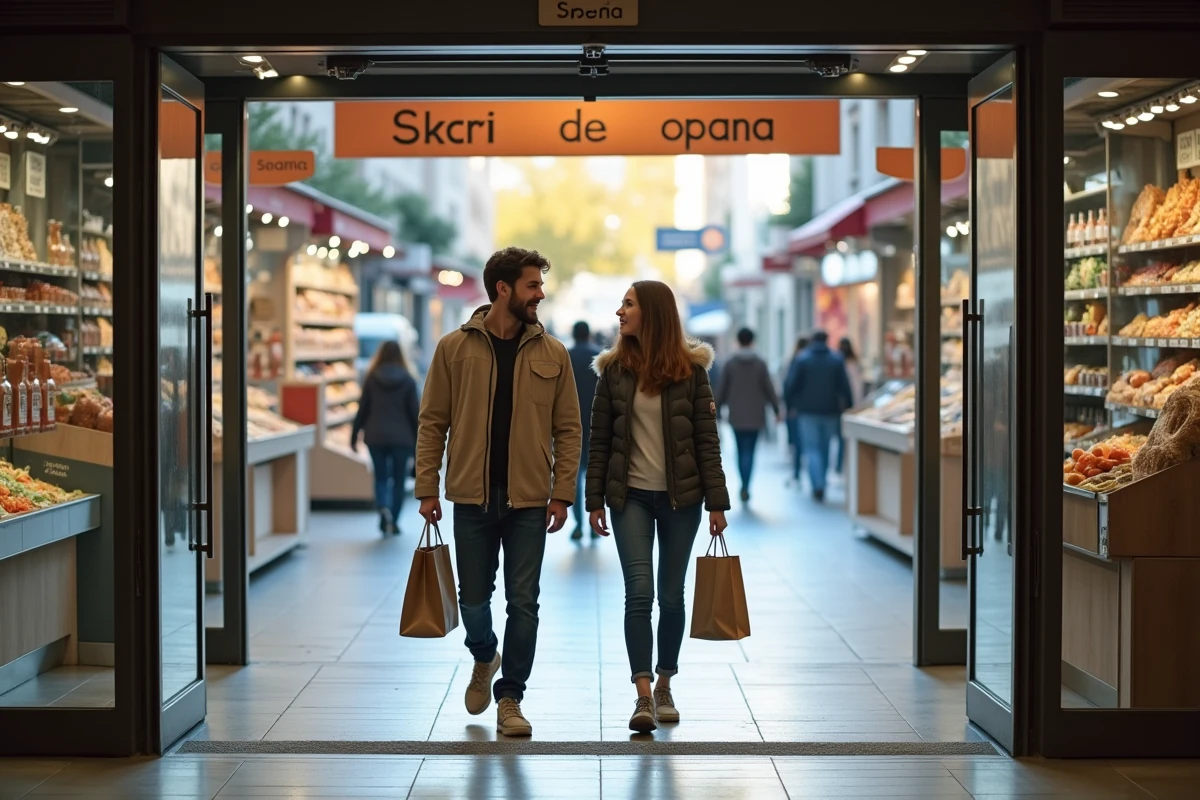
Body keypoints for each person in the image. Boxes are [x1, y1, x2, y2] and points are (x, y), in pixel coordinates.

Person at [415, 246, 582, 737]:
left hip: (529, 500)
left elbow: (569, 429)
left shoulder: (553, 353)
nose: (540, 294)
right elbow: (432, 422)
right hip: (471, 496)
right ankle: (485, 654)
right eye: (533, 285)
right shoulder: (454, 348)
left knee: (524, 602)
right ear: (503, 289)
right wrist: (427, 487)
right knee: (471, 600)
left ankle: (510, 698)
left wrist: (562, 492)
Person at [587, 280, 730, 734]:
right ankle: (644, 694)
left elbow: (707, 441)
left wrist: (717, 503)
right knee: (639, 592)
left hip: (681, 499)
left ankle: (665, 682)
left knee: (671, 596)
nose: (619, 312)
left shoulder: (691, 372)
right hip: (628, 496)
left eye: (628, 304)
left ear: (653, 312)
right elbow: (599, 440)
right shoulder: (613, 371)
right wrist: (592, 499)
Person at [351, 340, 420, 536]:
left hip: (376, 436)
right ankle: (394, 520)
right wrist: (420, 442)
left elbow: (363, 408)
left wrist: (354, 435)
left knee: (381, 476)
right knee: (398, 480)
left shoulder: (372, 378)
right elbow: (415, 413)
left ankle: (383, 506)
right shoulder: (408, 380)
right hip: (402, 438)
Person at [783, 330, 852, 502]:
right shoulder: (836, 360)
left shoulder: (802, 359)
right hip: (830, 411)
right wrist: (849, 406)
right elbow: (845, 386)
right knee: (825, 447)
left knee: (811, 448)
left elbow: (791, 385)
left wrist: (790, 406)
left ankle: (818, 484)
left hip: (807, 412)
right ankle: (822, 482)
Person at [714, 327, 780, 504]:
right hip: (756, 415)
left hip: (736, 415)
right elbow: (769, 388)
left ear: (738, 341)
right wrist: (776, 409)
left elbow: (721, 390)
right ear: (752, 341)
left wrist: (716, 410)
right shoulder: (760, 363)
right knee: (750, 451)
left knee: (740, 450)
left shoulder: (730, 363)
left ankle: (743, 483)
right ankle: (746, 485)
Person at [568, 320, 602, 541]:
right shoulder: (598, 356)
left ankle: (578, 524)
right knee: (594, 476)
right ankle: (593, 521)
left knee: (574, 478)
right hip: (596, 424)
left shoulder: (567, 356)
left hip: (571, 426)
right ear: (588, 334)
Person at [836, 337, 865, 474]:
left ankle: (840, 465)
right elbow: (858, 387)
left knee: (840, 437)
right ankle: (842, 464)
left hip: (840, 406)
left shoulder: (838, 363)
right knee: (844, 438)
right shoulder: (854, 364)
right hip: (850, 405)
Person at [783, 334, 809, 487]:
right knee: (809, 443)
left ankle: (797, 473)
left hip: (796, 409)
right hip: (808, 408)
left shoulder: (796, 361)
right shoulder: (808, 361)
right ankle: (812, 476)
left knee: (797, 443)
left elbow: (789, 386)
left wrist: (789, 406)